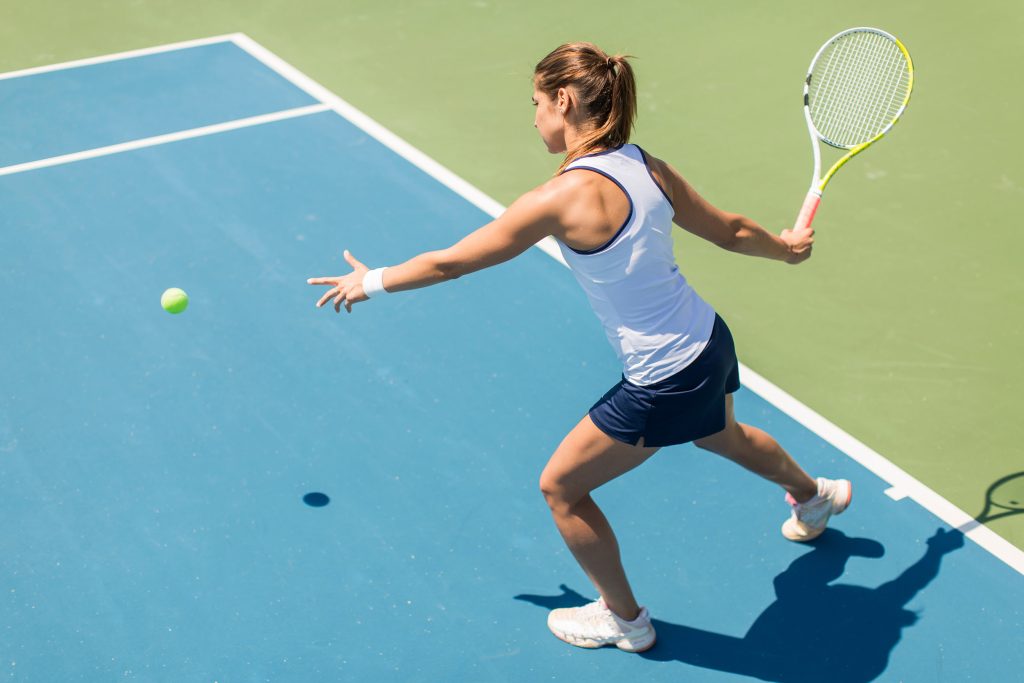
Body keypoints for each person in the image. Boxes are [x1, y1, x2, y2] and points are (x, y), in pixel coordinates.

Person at [307, 41, 852, 654]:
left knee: (561, 488)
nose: (534, 115)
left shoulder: (558, 199)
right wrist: (785, 248)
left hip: (663, 377)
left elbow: (452, 262)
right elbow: (731, 231)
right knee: (720, 434)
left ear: (563, 101)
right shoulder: (647, 165)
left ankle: (626, 619)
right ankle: (815, 495)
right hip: (706, 341)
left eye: (536, 102)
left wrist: (371, 280)